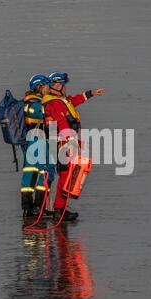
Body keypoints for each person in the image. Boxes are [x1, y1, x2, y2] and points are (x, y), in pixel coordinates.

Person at [42, 72, 105, 221]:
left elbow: (73, 101)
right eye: (64, 86)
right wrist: (70, 142)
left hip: (65, 143)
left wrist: (91, 94)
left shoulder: (60, 100)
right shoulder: (54, 103)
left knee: (67, 176)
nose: (66, 89)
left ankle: (60, 208)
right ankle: (59, 210)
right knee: (65, 176)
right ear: (58, 86)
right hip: (62, 144)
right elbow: (62, 123)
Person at [21, 74, 55, 217]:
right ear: (39, 87)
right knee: (46, 172)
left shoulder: (34, 101)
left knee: (33, 173)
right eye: (47, 85)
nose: (49, 88)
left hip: (34, 140)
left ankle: (30, 208)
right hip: (37, 139)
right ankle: (36, 207)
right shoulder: (34, 103)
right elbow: (43, 114)